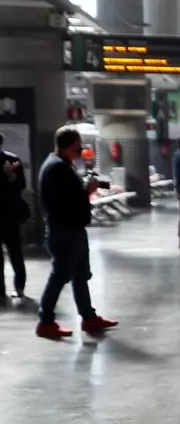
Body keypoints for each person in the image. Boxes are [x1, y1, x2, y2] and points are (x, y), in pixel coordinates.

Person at [35, 125, 117, 339]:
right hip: (64, 231)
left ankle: (89, 318)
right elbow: (66, 202)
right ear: (73, 145)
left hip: (71, 229)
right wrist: (87, 191)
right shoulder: (57, 167)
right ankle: (45, 321)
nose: (82, 149)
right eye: (80, 145)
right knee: (60, 275)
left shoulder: (60, 165)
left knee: (80, 275)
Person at [2, 145, 29, 298]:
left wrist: (10, 175)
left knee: (15, 252)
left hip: (10, 214)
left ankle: (19, 287)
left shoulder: (12, 160)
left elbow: (21, 185)